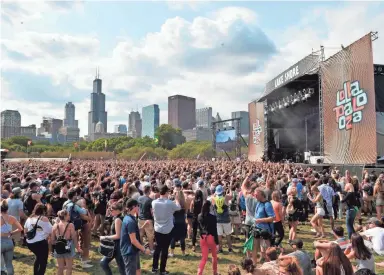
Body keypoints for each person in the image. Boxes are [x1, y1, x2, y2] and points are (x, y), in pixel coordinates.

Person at [151, 185, 180, 274]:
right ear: (167, 192)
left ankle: (154, 268)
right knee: (164, 250)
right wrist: (177, 199)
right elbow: (178, 208)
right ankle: (162, 270)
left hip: (158, 228)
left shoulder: (154, 202)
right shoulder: (169, 203)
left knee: (157, 248)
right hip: (167, 229)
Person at [120, 198, 150, 275]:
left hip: (133, 250)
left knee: (138, 271)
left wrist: (144, 226)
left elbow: (134, 231)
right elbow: (133, 240)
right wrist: (144, 249)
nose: (139, 208)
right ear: (133, 207)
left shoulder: (130, 218)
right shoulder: (130, 221)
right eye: (138, 206)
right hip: (129, 252)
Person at [24, 203, 52, 275]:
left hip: (30, 243)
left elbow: (25, 231)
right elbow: (51, 230)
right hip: (40, 243)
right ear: (43, 211)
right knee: (43, 261)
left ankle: (35, 273)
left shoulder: (29, 218)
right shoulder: (44, 219)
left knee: (38, 257)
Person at [52, 210, 82, 275]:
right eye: (68, 215)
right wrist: (78, 248)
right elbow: (74, 238)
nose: (69, 216)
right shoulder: (70, 225)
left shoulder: (55, 225)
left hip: (58, 247)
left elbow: (52, 240)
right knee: (69, 267)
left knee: (60, 268)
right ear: (65, 216)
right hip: (68, 246)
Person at [100, 202, 126, 275]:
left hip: (118, 247)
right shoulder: (118, 217)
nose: (110, 211)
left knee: (122, 269)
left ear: (118, 210)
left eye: (112, 210)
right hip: (115, 246)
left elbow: (118, 235)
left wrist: (105, 237)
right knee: (103, 263)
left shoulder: (118, 220)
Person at [253, 187, 275, 264]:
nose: (255, 196)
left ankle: (270, 264)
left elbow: (272, 218)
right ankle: (254, 265)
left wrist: (260, 220)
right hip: (257, 228)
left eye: (256, 195)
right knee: (255, 247)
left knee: (267, 250)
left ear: (262, 195)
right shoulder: (258, 202)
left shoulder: (267, 204)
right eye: (254, 195)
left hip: (265, 230)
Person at [1, 199, 23, 275]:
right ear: (7, 209)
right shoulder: (12, 218)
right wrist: (12, 233)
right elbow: (20, 228)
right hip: (9, 241)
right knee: (9, 263)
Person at [197, 200, 218, 275]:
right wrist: (217, 242)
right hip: (211, 238)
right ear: (209, 207)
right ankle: (215, 272)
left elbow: (199, 228)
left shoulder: (199, 216)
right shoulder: (213, 218)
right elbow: (215, 231)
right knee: (214, 256)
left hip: (203, 237)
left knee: (204, 258)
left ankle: (199, 272)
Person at [212, 185, 233, 253]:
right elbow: (231, 195)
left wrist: (215, 193)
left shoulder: (214, 198)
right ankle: (230, 249)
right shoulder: (225, 197)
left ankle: (220, 249)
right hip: (226, 219)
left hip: (217, 219)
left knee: (219, 235)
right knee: (228, 235)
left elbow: (213, 195)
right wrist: (230, 189)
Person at [137, 185, 154, 253]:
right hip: (147, 219)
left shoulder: (139, 198)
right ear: (149, 191)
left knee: (140, 234)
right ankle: (152, 250)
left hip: (140, 218)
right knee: (150, 236)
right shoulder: (150, 200)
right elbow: (151, 211)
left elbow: (138, 208)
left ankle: (141, 249)